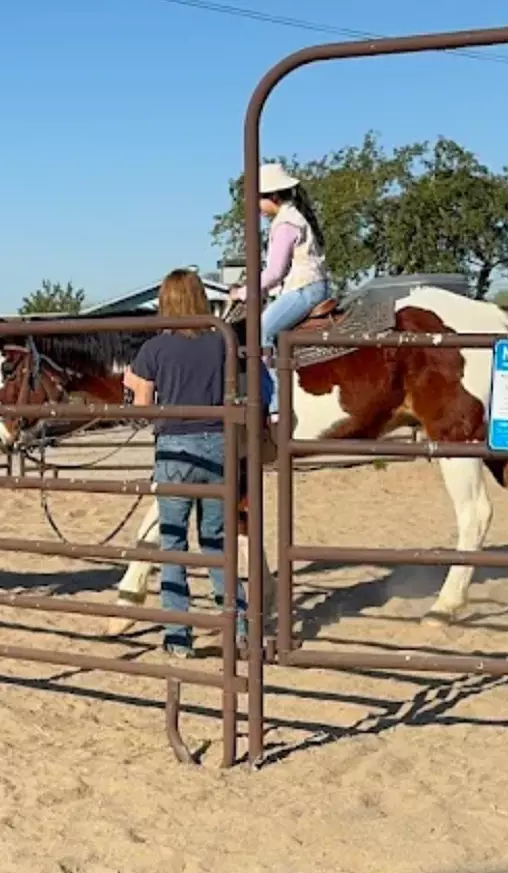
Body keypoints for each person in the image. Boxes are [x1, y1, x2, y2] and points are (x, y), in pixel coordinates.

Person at [123, 268, 248, 658]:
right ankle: (239, 629)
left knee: (174, 545)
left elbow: (142, 409)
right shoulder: (221, 341)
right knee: (216, 542)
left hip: (175, 447)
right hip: (218, 445)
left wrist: (132, 385)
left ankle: (179, 637)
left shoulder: (155, 349)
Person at [230, 162, 331, 422]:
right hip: (309, 285)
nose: (256, 206)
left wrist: (244, 292)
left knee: (260, 330)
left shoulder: (285, 224)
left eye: (258, 199)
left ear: (272, 197)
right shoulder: (294, 217)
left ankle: (274, 403)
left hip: (305, 288)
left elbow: (275, 272)